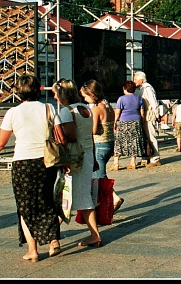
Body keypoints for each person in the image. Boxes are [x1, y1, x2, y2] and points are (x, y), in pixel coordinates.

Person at [0, 74, 62, 262]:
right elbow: (60, 136)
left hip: (23, 162)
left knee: (24, 205)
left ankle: (33, 250)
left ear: (18, 91)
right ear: (37, 89)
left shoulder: (13, 112)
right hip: (46, 161)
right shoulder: (48, 107)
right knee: (46, 199)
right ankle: (53, 241)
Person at [52, 79, 101, 248]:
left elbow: (70, 137)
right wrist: (94, 159)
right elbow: (90, 136)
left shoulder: (66, 111)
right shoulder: (86, 109)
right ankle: (93, 235)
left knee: (64, 196)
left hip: (74, 159)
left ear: (62, 94)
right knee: (82, 196)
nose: (54, 96)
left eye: (55, 93)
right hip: (86, 155)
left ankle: (52, 237)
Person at [81, 79, 124, 215]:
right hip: (110, 143)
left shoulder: (96, 109)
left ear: (92, 95)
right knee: (100, 174)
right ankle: (104, 201)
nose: (84, 99)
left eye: (85, 96)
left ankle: (114, 198)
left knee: (100, 175)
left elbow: (93, 130)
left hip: (99, 144)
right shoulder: (108, 106)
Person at [112, 80, 145, 171]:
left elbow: (118, 111)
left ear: (125, 88)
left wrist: (115, 121)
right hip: (136, 121)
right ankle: (133, 162)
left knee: (119, 141)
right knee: (134, 141)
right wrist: (142, 122)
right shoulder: (139, 99)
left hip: (124, 121)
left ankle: (116, 163)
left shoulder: (121, 99)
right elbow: (142, 113)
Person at [133, 71, 161, 167]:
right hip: (141, 115)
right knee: (144, 137)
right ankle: (146, 157)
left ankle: (155, 158)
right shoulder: (138, 89)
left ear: (141, 80)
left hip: (149, 115)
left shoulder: (147, 88)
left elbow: (153, 102)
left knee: (151, 136)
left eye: (135, 79)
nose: (134, 81)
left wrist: (157, 115)